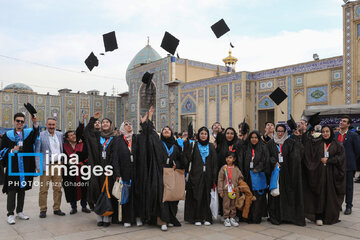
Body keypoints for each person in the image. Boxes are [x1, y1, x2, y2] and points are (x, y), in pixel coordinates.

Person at [302, 125, 346, 225]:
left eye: (327, 131)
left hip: (332, 175)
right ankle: (319, 216)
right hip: (319, 174)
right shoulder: (318, 143)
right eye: (323, 132)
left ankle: (330, 216)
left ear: (331, 132)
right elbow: (310, 151)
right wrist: (305, 132)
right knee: (319, 194)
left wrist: (330, 160)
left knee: (330, 195)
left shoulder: (337, 144)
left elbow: (341, 158)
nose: (325, 134)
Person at [0, 113, 39, 224]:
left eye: (22, 121)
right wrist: (12, 150)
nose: (20, 123)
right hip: (13, 167)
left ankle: (20, 211)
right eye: (18, 121)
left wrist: (35, 122)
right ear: (14, 121)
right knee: (12, 190)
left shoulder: (27, 133)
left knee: (22, 189)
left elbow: (36, 133)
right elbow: (2, 151)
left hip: (25, 166)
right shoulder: (7, 135)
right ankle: (10, 214)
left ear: (24, 123)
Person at [266, 124, 305, 226]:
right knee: (275, 194)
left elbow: (297, 154)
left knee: (286, 194)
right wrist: (274, 161)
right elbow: (267, 156)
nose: (280, 133)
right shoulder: (270, 143)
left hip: (287, 172)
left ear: (285, 132)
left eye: (282, 131)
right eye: (278, 131)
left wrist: (297, 138)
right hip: (275, 173)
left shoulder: (289, 142)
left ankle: (286, 216)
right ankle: (275, 216)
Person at [84, 112, 116, 227]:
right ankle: (99, 217)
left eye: (107, 122)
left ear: (111, 125)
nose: (105, 124)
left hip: (109, 169)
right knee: (96, 192)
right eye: (103, 122)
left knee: (108, 192)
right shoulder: (96, 136)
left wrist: (111, 167)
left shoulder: (114, 139)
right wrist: (93, 119)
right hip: (96, 169)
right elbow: (86, 132)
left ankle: (107, 217)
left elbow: (116, 155)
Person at [184, 127, 218, 226]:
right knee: (196, 196)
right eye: (201, 133)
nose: (203, 135)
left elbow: (214, 163)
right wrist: (187, 144)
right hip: (196, 175)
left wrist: (214, 177)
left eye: (205, 134)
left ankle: (207, 217)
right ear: (198, 135)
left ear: (208, 135)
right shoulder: (194, 145)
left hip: (208, 175)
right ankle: (197, 218)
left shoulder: (211, 146)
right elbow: (187, 158)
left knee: (206, 196)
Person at [36, 118, 66, 218]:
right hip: (46, 166)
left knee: (57, 188)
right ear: (46, 125)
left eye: (53, 125)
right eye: (49, 125)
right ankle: (43, 209)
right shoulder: (41, 135)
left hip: (57, 165)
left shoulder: (60, 135)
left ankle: (57, 208)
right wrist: (38, 166)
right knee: (44, 189)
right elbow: (37, 152)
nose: (51, 127)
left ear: (55, 125)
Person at [112, 120, 139, 227]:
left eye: (130, 124)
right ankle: (127, 218)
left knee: (136, 195)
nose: (129, 126)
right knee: (125, 196)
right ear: (122, 127)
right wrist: (118, 173)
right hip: (124, 172)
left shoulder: (136, 138)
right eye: (126, 125)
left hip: (136, 172)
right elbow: (115, 158)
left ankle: (137, 217)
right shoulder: (118, 140)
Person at [62, 114, 90, 215]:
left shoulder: (82, 144)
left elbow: (87, 156)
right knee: (70, 189)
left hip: (83, 170)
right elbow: (62, 159)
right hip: (70, 172)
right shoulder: (64, 147)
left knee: (84, 188)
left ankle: (84, 206)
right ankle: (73, 207)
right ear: (67, 138)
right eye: (71, 135)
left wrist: (83, 163)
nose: (73, 136)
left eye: (74, 134)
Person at [334, 116, 360, 215]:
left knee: (348, 187)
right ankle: (337, 204)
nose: (341, 122)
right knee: (336, 186)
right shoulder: (335, 135)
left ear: (348, 124)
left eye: (344, 121)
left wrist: (350, 160)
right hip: (336, 165)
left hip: (348, 166)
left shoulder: (353, 135)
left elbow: (357, 151)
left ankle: (348, 206)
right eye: (341, 121)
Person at [241, 130, 268, 224]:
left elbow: (265, 160)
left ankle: (257, 217)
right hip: (248, 175)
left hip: (258, 175)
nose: (254, 139)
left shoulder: (263, 148)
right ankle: (248, 216)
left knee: (257, 197)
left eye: (256, 137)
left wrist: (258, 168)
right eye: (252, 137)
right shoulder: (246, 148)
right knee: (248, 196)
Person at [218, 151, 243, 227]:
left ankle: (232, 217)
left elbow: (241, 177)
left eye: (230, 158)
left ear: (234, 159)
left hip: (234, 190)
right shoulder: (223, 168)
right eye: (227, 158)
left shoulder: (236, 169)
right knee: (226, 204)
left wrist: (239, 185)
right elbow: (220, 179)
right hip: (226, 190)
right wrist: (220, 190)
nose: (228, 159)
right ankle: (226, 218)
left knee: (233, 204)